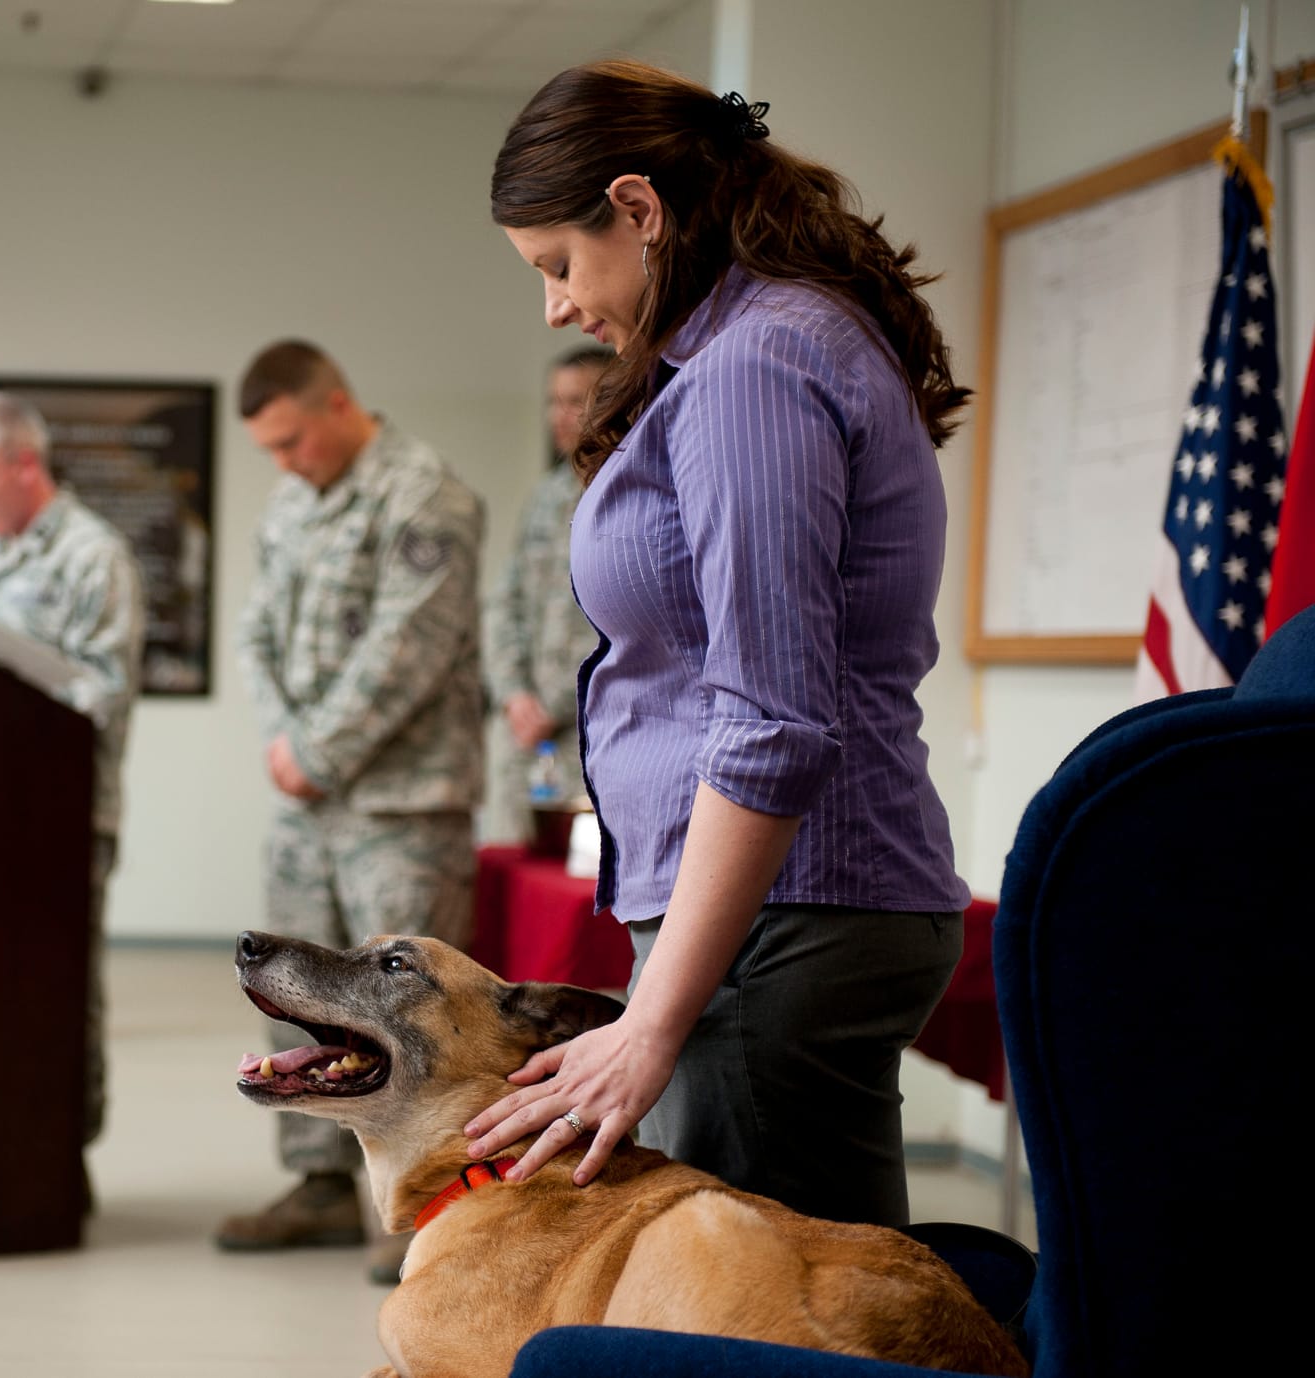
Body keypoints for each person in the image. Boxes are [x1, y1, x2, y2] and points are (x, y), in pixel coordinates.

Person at [464, 60, 971, 1231]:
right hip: (780, 912)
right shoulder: (764, 342)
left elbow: (772, 720)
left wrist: (652, 1017)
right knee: (825, 1311)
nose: (553, 307)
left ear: (638, 212)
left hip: (777, 917)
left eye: (557, 265)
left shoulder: (754, 366)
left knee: (768, 1326)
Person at [217, 341, 485, 1282]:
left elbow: (406, 648)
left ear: (336, 403)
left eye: (294, 440)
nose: (285, 464)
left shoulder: (425, 495)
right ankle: (322, 1183)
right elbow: (253, 629)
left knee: (404, 1008)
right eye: (272, 451)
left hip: (401, 805)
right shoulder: (295, 501)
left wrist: (317, 751)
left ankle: (420, 1203)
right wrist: (288, 743)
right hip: (307, 803)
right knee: (288, 989)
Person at [0, 392, 145, 1200]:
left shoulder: (94, 556)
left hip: (60, 818)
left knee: (58, 989)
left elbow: (106, 696)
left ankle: (61, 1152)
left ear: (27, 464)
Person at [484, 346, 609, 839]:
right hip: (528, 741)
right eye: (553, 401)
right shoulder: (546, 495)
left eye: (576, 400)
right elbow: (504, 604)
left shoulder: (635, 488)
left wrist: (554, 704)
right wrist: (514, 695)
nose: (560, 415)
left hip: (593, 734)